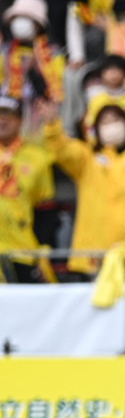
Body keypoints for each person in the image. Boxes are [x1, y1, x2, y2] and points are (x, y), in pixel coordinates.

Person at [38, 97, 125, 280]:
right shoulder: (87, 158)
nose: (111, 126)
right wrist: (52, 124)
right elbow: (62, 150)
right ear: (97, 129)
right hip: (92, 262)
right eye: (105, 122)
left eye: (116, 120)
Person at [0, 95, 54, 283]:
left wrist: (43, 252)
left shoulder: (37, 158)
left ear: (21, 120)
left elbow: (45, 210)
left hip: (23, 250)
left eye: (9, 115)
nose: (3, 120)